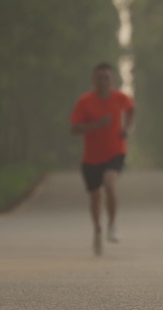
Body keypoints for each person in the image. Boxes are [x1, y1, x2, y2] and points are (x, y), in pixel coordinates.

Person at [70, 62, 135, 255]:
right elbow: (74, 129)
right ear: (93, 80)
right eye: (99, 78)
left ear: (112, 80)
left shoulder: (119, 98)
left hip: (115, 152)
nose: (103, 81)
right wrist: (97, 124)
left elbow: (132, 109)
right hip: (91, 158)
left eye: (106, 77)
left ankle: (112, 226)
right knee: (95, 196)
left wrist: (127, 128)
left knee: (110, 183)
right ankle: (98, 229)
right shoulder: (84, 102)